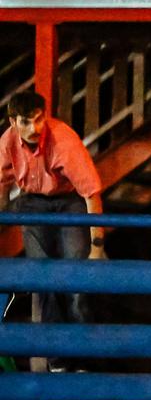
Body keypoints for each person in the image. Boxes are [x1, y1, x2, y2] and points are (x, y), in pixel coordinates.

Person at [0, 90, 105, 372]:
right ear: (13, 122)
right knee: (43, 280)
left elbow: (91, 193)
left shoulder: (63, 140)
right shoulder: (7, 142)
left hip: (68, 201)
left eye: (39, 120)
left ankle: (83, 362)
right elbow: (1, 181)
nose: (35, 128)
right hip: (32, 202)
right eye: (26, 122)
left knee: (76, 281)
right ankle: (57, 362)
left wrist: (97, 245)